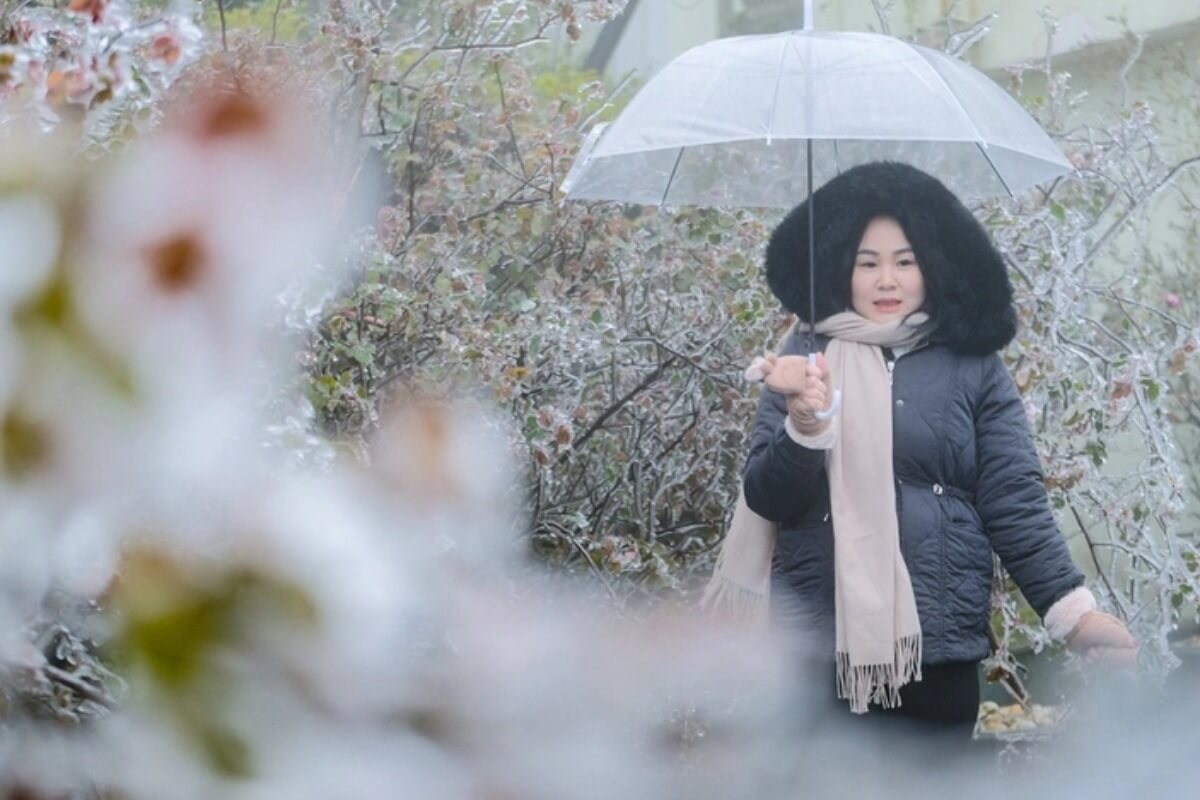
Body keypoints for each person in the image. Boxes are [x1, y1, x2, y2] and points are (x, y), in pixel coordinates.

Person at [709, 161, 1137, 744]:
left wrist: (1073, 615)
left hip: (935, 651)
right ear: (842, 270)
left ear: (932, 266)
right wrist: (805, 425)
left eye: (904, 261)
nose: (887, 280)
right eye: (868, 263)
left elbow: (1014, 500)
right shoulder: (805, 357)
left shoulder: (973, 367)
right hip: (819, 651)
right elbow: (767, 496)